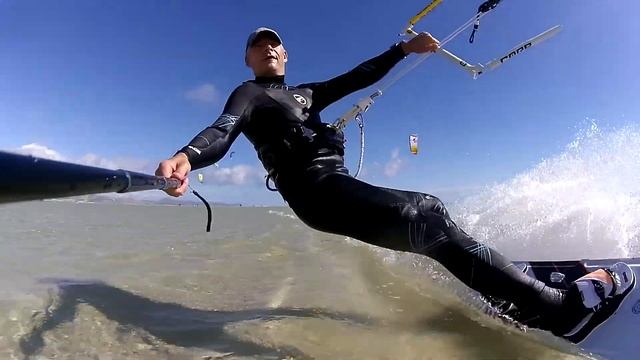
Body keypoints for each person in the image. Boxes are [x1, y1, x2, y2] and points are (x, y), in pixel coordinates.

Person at [156, 27, 635, 343]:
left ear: (286, 53)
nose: (269, 48)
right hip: (313, 191)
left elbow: (358, 76)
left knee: (431, 223)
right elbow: (223, 128)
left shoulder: (306, 94)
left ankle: (508, 295)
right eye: (259, 45)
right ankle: (558, 310)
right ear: (248, 58)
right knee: (426, 212)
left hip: (332, 187)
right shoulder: (250, 94)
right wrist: (186, 156)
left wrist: (403, 50)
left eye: (275, 43)